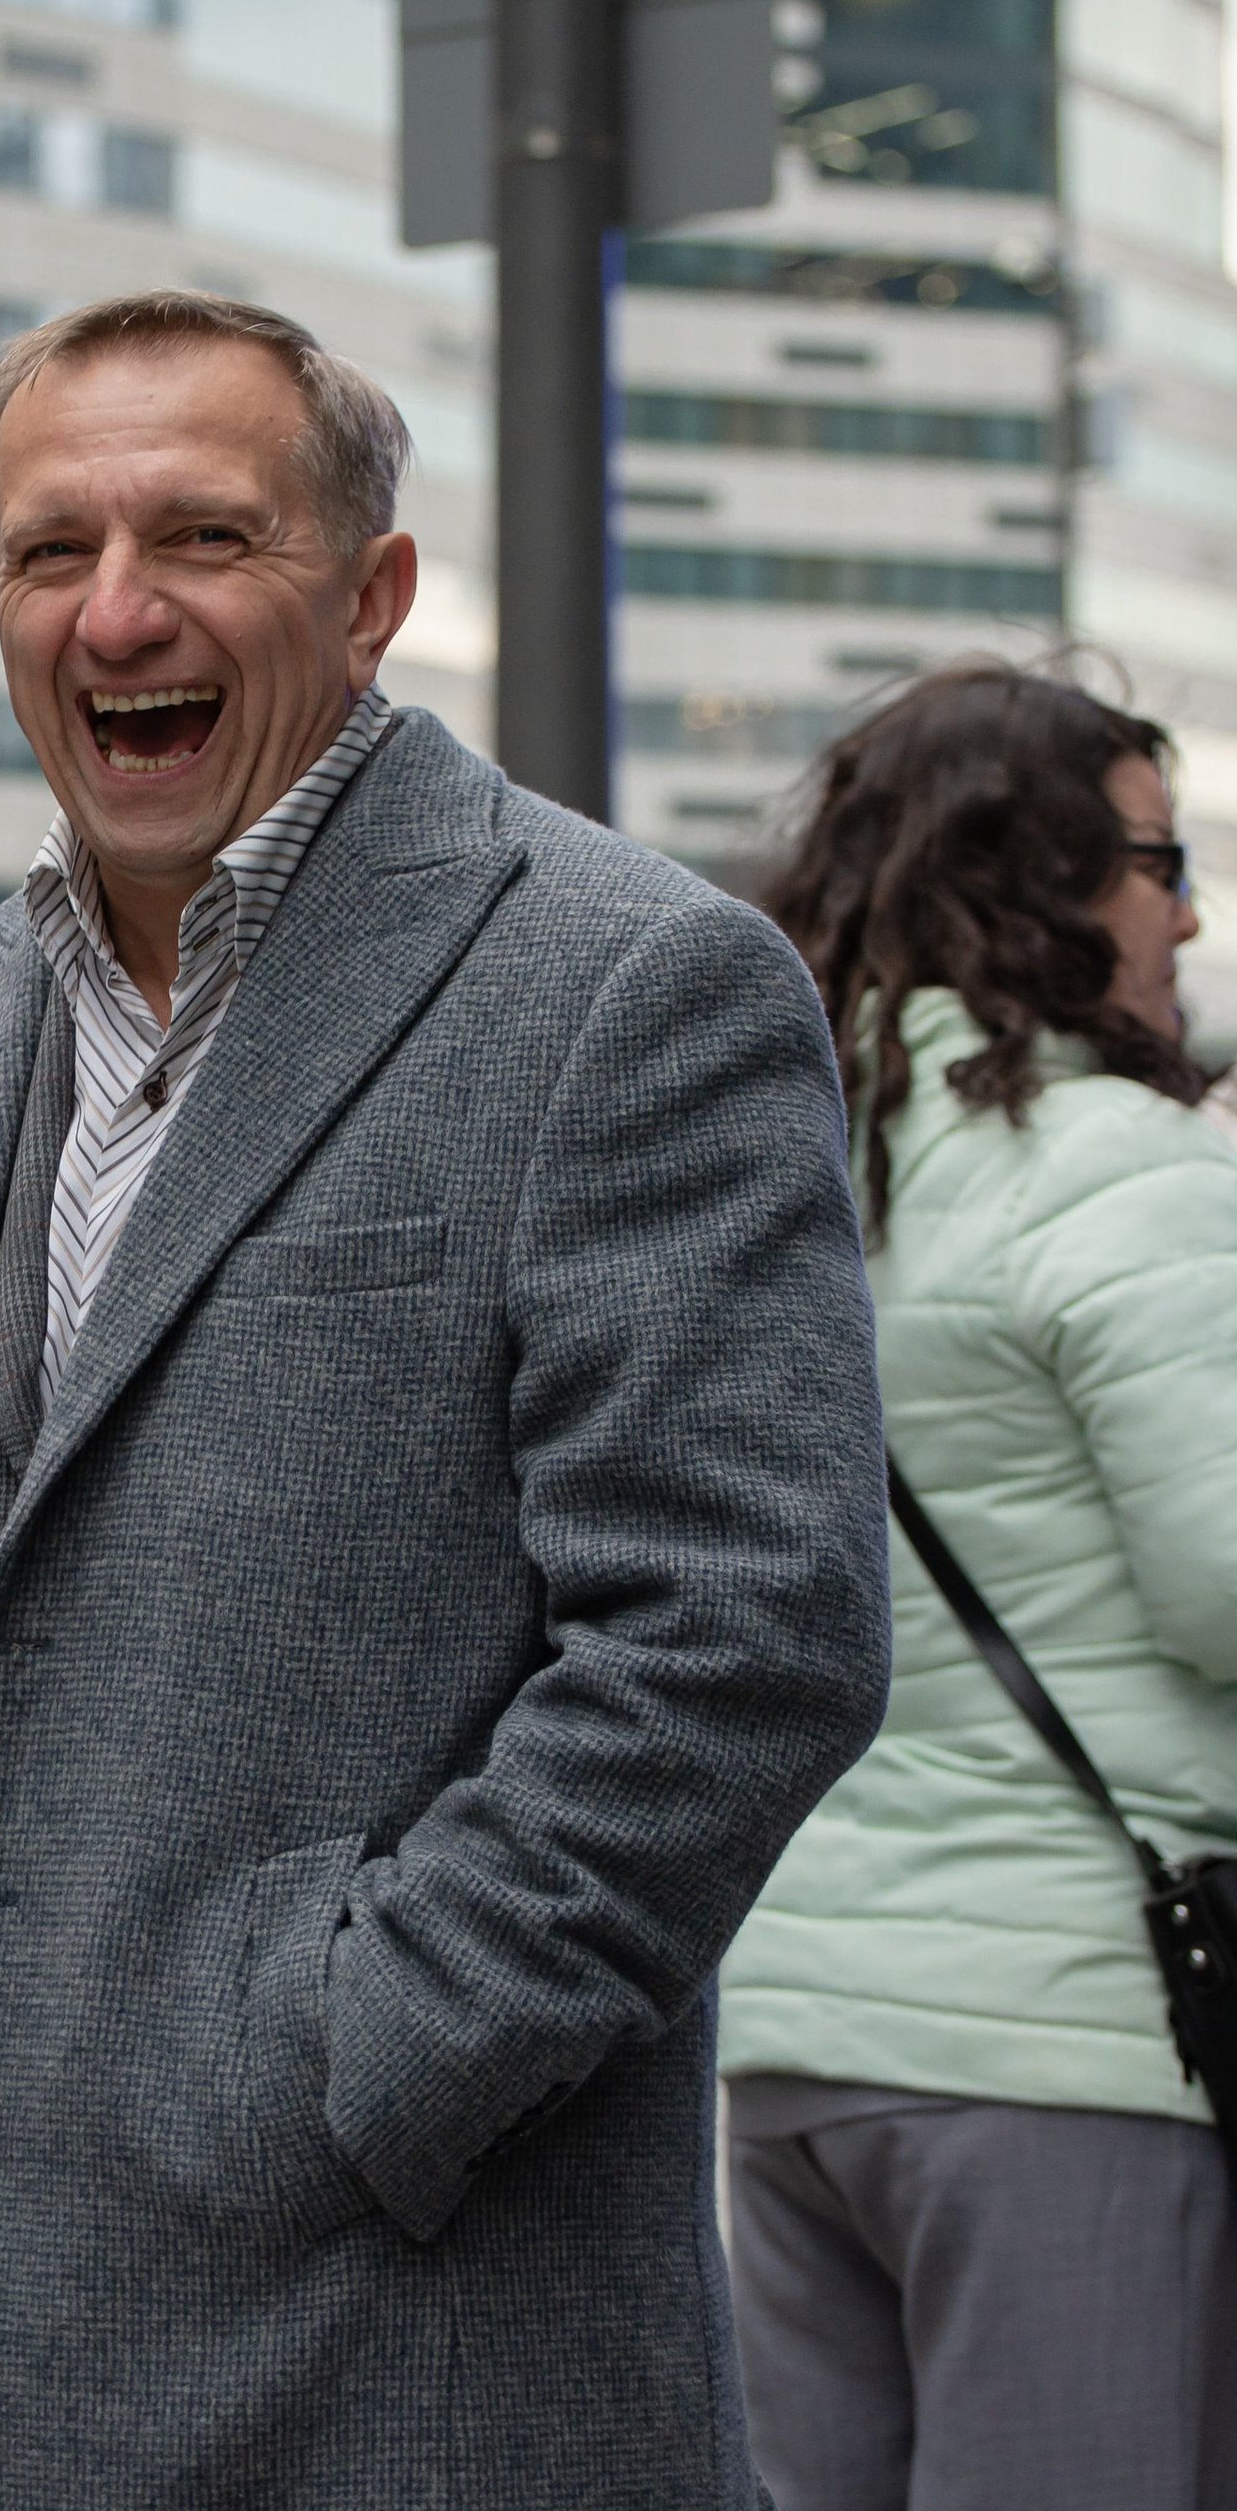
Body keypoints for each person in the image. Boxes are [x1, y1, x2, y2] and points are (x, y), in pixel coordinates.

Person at [0, 288, 892, 2509]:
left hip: (383, 2354)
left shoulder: (627, 986)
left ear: (371, 594)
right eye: (48, 549)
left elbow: (742, 1637)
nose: (116, 612)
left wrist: (351, 2057)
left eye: (203, 536)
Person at [720, 661, 1237, 2511]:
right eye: (1160, 864)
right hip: (1064, 2040)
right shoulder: (1117, 1166)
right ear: (1041, 883)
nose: (1187, 917)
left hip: (794, 2038)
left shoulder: (787, 1168)